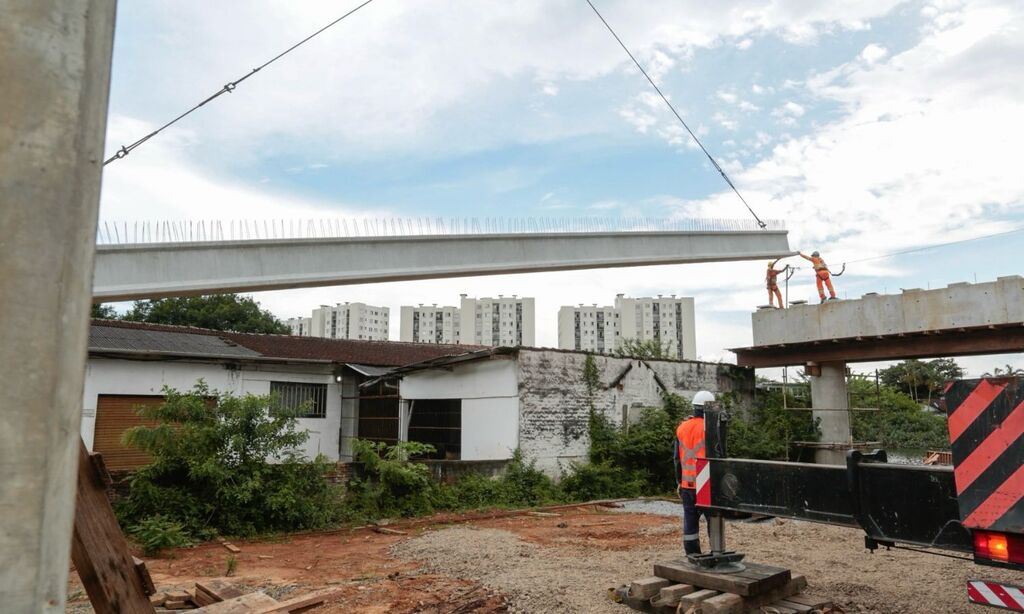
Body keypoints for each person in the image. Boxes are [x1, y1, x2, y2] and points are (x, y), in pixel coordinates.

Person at [674, 390, 714, 555]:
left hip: (687, 484)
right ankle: (716, 552)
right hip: (707, 484)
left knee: (690, 519)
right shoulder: (709, 428)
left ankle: (692, 554)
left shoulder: (682, 427)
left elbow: (676, 458)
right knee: (714, 519)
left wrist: (679, 482)